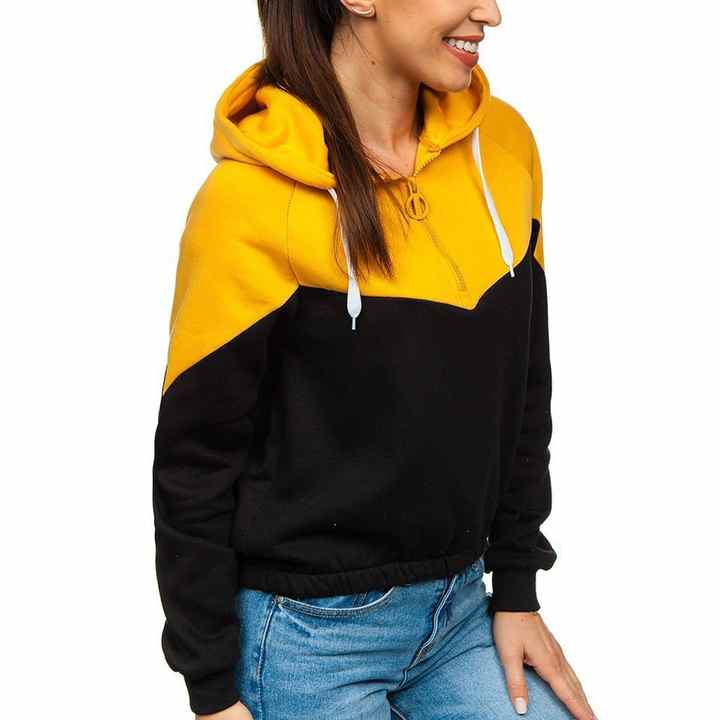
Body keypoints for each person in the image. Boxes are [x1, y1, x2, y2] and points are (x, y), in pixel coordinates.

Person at [152, 1, 597, 719]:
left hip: (459, 613)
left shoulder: (503, 147)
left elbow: (525, 387)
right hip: (306, 639)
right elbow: (194, 464)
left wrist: (517, 589)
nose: (490, 12)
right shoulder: (246, 202)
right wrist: (210, 691)